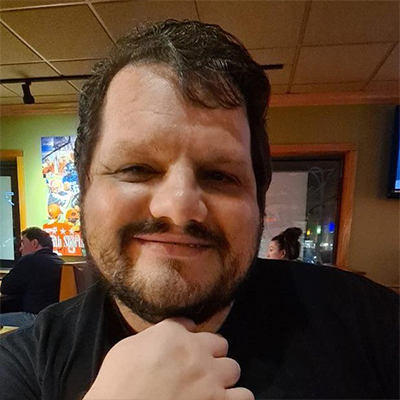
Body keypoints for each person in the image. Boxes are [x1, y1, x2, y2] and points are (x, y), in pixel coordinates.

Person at [0, 20, 398, 400]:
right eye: (137, 168)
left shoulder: (373, 325)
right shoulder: (21, 368)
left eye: (220, 175)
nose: (178, 208)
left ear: (259, 198)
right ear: (85, 187)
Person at [0, 227, 63, 327]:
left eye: (23, 243)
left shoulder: (29, 260)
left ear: (34, 243)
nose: (20, 249)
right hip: (54, 318)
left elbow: (5, 287)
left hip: (35, 318)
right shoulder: (59, 261)